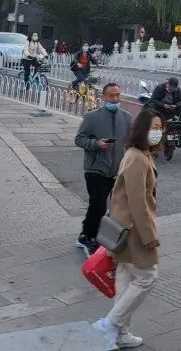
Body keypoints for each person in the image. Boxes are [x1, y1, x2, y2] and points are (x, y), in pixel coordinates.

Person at [93, 109, 163, 349]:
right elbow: (137, 202)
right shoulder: (136, 158)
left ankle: (119, 333)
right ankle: (109, 324)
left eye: (160, 128)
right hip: (132, 230)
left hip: (126, 227)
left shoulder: (140, 153)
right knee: (147, 277)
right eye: (153, 127)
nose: (158, 132)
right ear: (142, 129)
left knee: (126, 277)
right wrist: (148, 236)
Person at [74, 82, 132, 255]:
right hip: (95, 169)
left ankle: (98, 235)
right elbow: (79, 139)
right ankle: (86, 237)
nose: (115, 98)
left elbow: (131, 141)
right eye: (111, 95)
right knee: (98, 204)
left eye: (118, 95)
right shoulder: (92, 117)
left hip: (116, 171)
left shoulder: (126, 118)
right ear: (104, 97)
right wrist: (96, 144)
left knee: (114, 207)